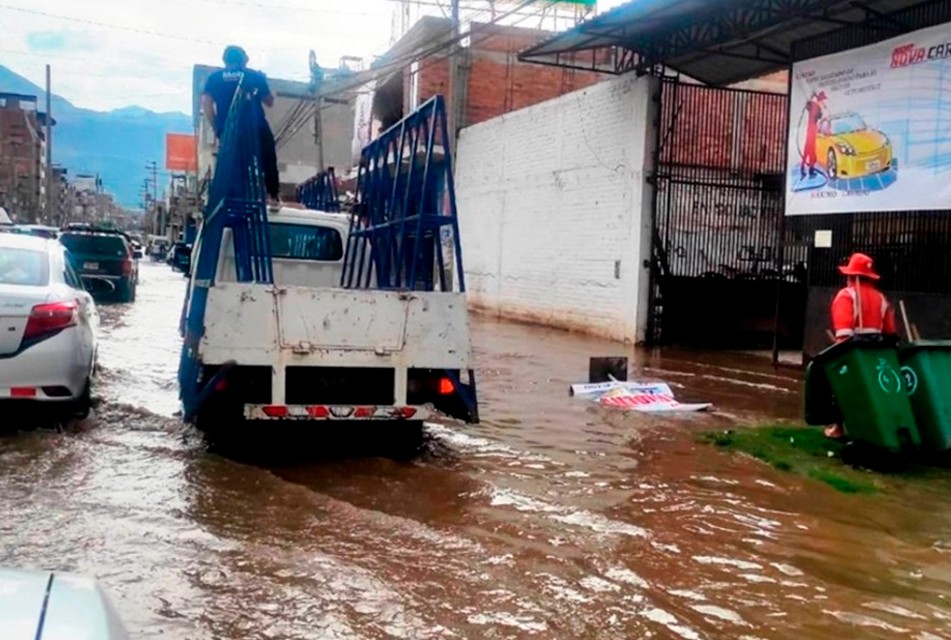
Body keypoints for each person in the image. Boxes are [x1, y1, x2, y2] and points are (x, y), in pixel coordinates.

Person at [824, 252, 897, 438]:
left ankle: (838, 428)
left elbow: (843, 335)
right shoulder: (881, 298)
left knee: (830, 378)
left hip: (853, 352)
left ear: (851, 276)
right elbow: (890, 332)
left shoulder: (846, 296)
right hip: (877, 355)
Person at [201, 45, 281, 206]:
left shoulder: (214, 78)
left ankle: (230, 199)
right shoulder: (254, 76)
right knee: (268, 156)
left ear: (225, 60)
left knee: (234, 165)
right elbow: (269, 101)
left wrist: (218, 127)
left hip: (230, 129)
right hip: (255, 126)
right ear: (244, 59)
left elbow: (206, 103)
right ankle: (273, 195)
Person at [801, 90, 827, 179]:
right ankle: (809, 170)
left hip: (811, 129)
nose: (823, 102)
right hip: (812, 130)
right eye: (823, 100)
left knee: (808, 150)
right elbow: (818, 115)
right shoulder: (815, 106)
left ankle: (804, 169)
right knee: (810, 151)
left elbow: (811, 109)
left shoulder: (813, 105)